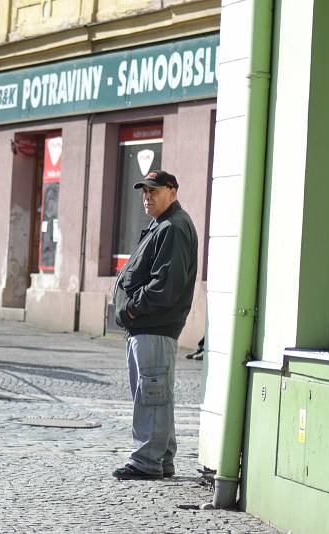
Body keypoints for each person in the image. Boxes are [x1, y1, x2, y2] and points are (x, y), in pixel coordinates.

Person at [111, 170, 198, 481]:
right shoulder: (163, 224)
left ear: (171, 191)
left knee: (152, 393)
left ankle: (146, 461)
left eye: (154, 191)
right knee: (156, 392)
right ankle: (161, 459)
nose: (147, 196)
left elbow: (165, 285)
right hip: (149, 326)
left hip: (153, 325)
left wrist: (132, 309)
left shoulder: (173, 227)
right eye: (144, 191)